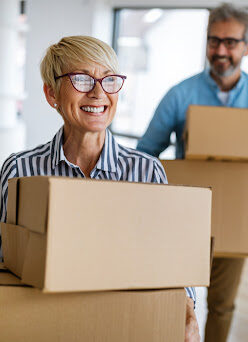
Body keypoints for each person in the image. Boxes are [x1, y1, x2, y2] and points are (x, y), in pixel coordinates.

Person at [0, 35, 200, 342]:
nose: (98, 93)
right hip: (43, 325)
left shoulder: (146, 171)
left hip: (124, 325)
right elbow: (4, 258)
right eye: (81, 79)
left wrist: (187, 310)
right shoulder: (19, 171)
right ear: (51, 93)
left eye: (109, 80)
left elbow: (171, 260)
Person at [137, 4, 248, 342]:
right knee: (174, 302)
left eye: (231, 42)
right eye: (213, 41)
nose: (221, 51)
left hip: (237, 223)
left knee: (221, 305)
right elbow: (146, 155)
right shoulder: (181, 95)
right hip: (184, 219)